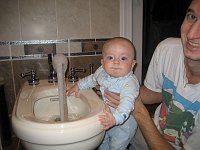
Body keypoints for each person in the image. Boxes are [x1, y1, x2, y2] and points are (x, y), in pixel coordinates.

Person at [104, 0, 200, 149]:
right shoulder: (167, 50)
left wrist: (138, 110)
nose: (192, 34)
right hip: (152, 130)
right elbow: (152, 93)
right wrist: (117, 89)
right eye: (192, 17)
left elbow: (138, 110)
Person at [67, 37, 140, 150]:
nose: (116, 62)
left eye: (123, 58)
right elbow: (92, 79)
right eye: (110, 57)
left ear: (132, 64)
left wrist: (115, 119)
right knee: (101, 141)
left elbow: (127, 103)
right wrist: (78, 85)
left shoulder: (129, 82)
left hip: (123, 124)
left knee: (116, 146)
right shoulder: (102, 72)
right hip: (107, 116)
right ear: (103, 62)